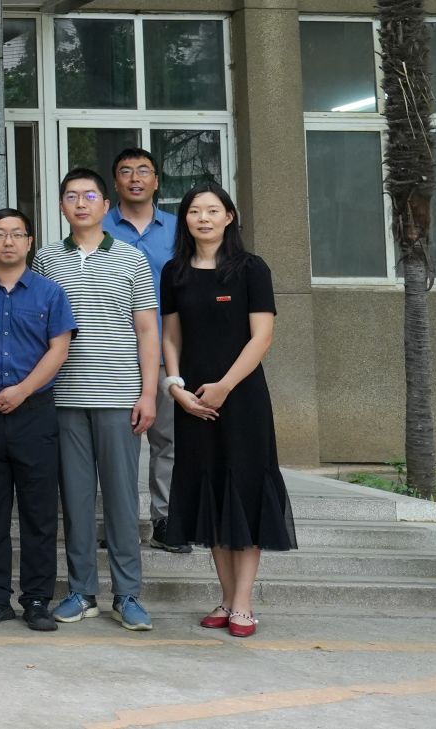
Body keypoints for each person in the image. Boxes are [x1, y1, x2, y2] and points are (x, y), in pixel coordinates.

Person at [161, 183, 296, 637]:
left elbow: (262, 338)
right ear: (184, 219)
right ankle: (224, 597)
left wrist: (223, 387)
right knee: (210, 491)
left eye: (212, 210)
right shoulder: (175, 271)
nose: (203, 218)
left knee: (245, 491)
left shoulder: (251, 269)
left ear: (229, 217)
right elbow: (171, 337)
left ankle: (243, 603)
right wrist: (176, 386)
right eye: (194, 211)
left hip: (242, 399)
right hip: (193, 402)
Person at [31, 167, 160, 632]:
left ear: (107, 205)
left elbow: (147, 330)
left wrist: (149, 392)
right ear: (61, 206)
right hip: (64, 398)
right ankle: (82, 591)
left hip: (119, 395)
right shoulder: (46, 260)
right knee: (77, 499)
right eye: (71, 196)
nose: (80, 203)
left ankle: (127, 595)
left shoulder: (132, 258)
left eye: (89, 196)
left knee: (122, 500)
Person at [0, 207, 76, 632]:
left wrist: (23, 390)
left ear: (30, 242)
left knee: (39, 512)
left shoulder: (51, 293)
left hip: (34, 413)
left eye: (16, 234)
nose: (8, 241)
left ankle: (37, 599)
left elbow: (59, 349)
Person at [106, 146, 187, 554]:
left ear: (156, 181)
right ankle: (114, 522)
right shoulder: (97, 227)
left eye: (143, 171)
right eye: (126, 171)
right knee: (113, 445)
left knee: (168, 440)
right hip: (112, 355)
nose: (135, 178)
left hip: (166, 350)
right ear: (115, 181)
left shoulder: (179, 230)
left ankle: (165, 519)